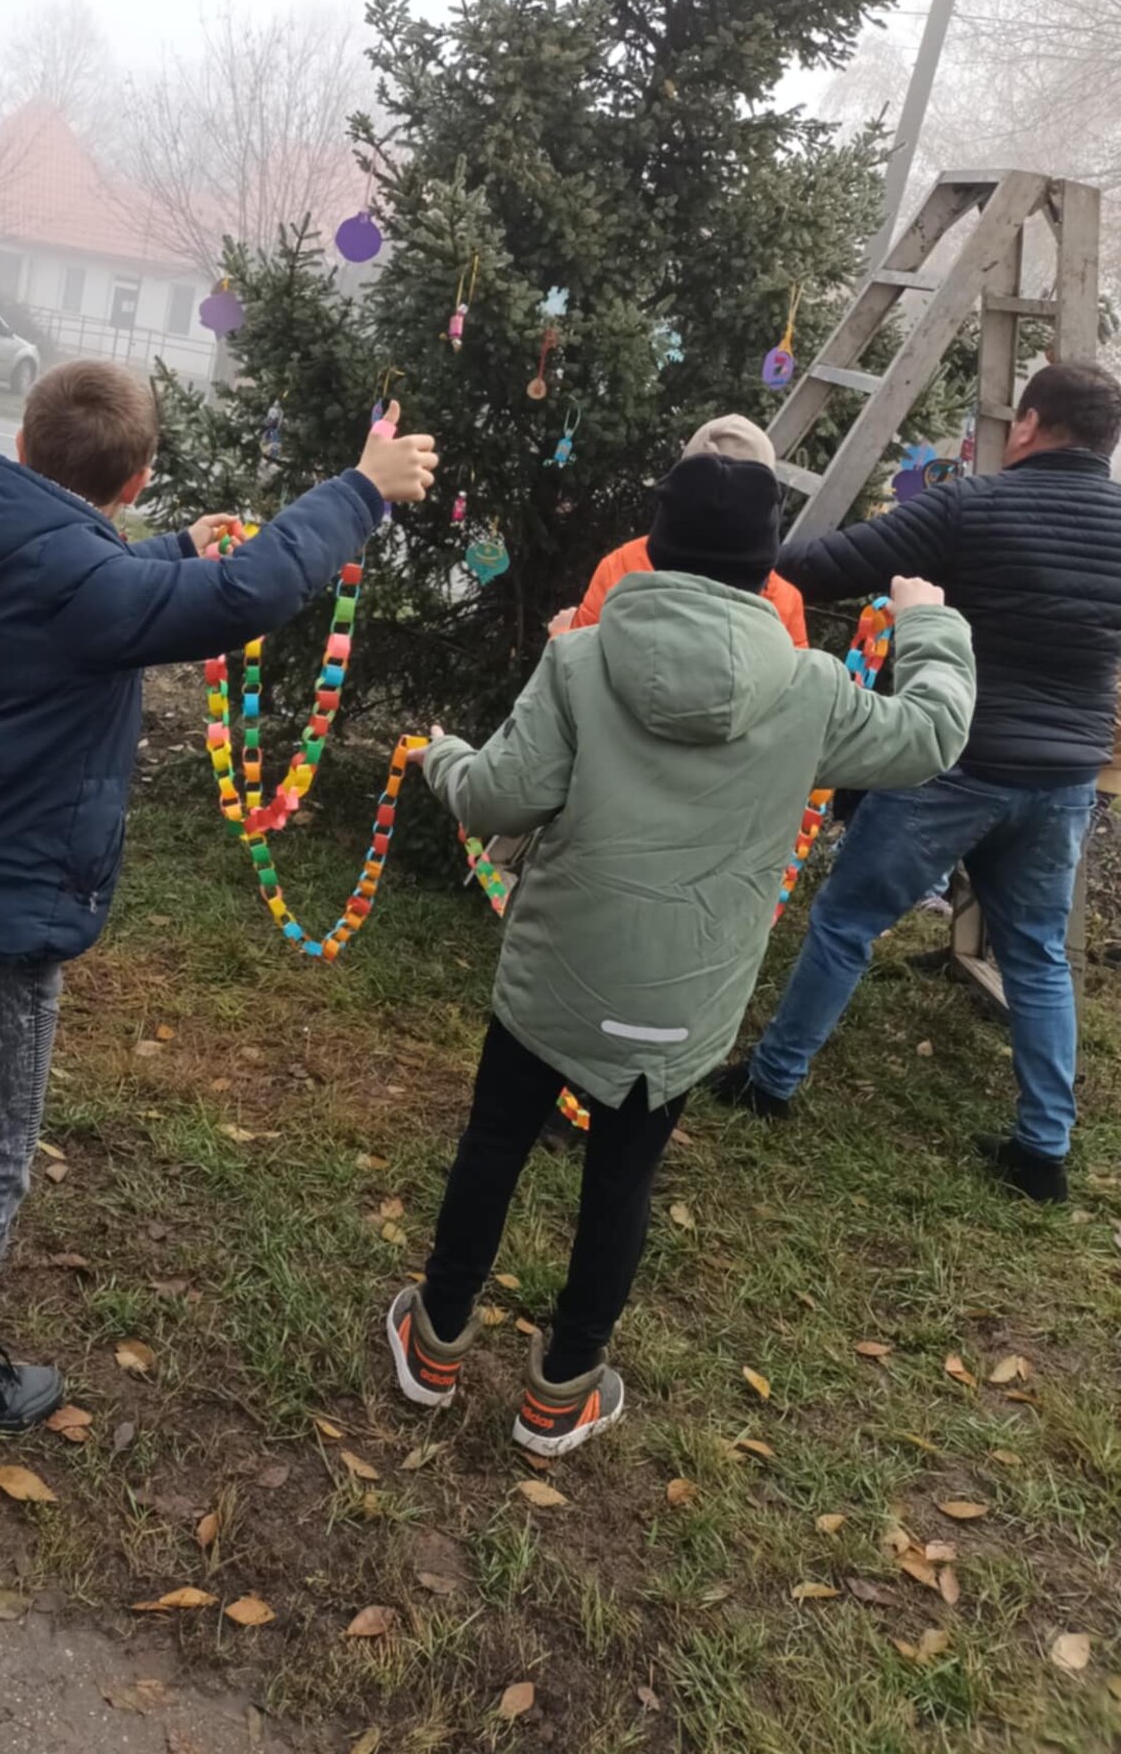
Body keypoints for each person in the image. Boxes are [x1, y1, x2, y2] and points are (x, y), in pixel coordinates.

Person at [0, 363, 439, 1437]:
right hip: (3, 895)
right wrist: (359, 489)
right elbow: (246, 598)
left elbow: (83, 581)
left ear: (31, 443)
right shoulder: (79, 580)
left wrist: (173, 551)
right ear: (133, 481)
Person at [388, 455, 973, 1458]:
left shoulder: (578, 658)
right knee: (621, 1183)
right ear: (763, 568)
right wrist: (926, 616)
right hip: (682, 1003)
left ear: (651, 549)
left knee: (492, 1148)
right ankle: (560, 1391)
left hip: (553, 979)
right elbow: (932, 733)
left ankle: (434, 1344)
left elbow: (494, 799)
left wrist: (439, 754)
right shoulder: (810, 689)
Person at [713, 362, 1121, 1204]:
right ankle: (1043, 1149)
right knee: (1038, 953)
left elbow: (821, 568)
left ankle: (773, 1080)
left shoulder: (972, 506)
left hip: (950, 764)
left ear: (1032, 424)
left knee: (847, 919)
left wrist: (716, 547)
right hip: (1064, 779)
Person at [550, 414, 808, 645]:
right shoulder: (782, 599)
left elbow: (582, 676)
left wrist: (562, 637)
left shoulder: (622, 565)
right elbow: (790, 693)